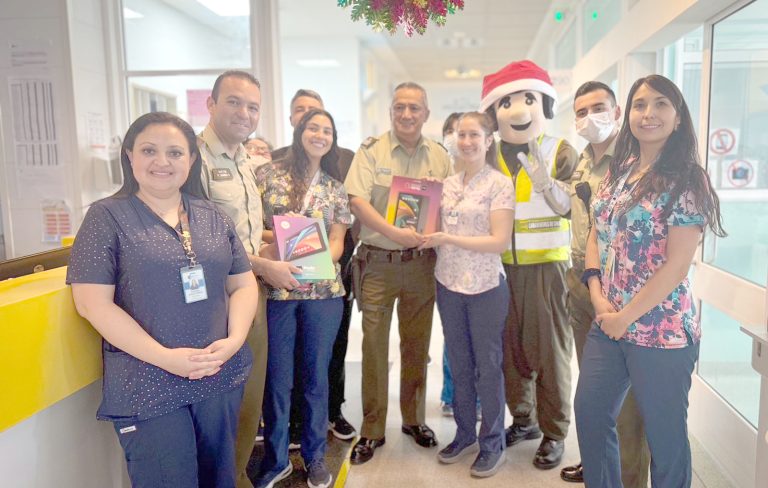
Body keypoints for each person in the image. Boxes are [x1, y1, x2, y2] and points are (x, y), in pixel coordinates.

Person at [67, 112, 259, 488]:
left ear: (191, 159)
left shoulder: (212, 216)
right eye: (149, 150)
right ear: (129, 156)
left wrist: (234, 341)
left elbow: (244, 285)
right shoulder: (106, 217)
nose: (162, 162)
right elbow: (92, 304)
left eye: (175, 152)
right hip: (149, 382)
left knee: (220, 480)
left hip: (217, 375)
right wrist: (166, 358)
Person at [575, 74, 725, 487]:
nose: (649, 113)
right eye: (640, 105)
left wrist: (626, 317)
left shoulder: (688, 179)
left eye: (661, 104)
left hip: (661, 333)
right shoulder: (620, 172)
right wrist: (597, 295)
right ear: (630, 117)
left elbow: (677, 266)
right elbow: (596, 231)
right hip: (609, 322)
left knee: (666, 439)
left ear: (678, 118)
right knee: (590, 416)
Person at [198, 70, 299, 488]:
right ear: (211, 103)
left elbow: (242, 231)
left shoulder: (243, 160)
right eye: (234, 102)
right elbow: (201, 242)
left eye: (253, 106)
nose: (244, 112)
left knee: (249, 397)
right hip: (212, 299)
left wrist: (284, 242)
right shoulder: (195, 159)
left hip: (250, 291)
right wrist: (263, 265)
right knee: (220, 403)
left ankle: (237, 476)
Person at [345, 82, 452, 465]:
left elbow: (455, 203)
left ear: (426, 113)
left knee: (417, 345)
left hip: (421, 265)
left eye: (414, 108)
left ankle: (414, 419)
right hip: (378, 262)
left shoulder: (441, 156)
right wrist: (393, 232)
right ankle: (372, 428)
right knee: (373, 345)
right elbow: (356, 200)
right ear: (391, 111)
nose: (407, 115)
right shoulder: (371, 151)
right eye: (399, 108)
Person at [480, 60, 578, 470]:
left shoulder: (560, 150)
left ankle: (554, 431)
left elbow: (572, 207)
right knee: (511, 349)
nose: (518, 110)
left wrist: (546, 183)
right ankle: (524, 420)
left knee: (550, 352)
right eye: (507, 102)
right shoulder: (486, 154)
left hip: (547, 268)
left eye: (527, 99)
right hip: (499, 269)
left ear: (544, 103)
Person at [560, 81, 651, 485]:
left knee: (627, 401)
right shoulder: (582, 159)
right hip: (582, 282)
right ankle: (598, 465)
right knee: (594, 394)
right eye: (580, 111)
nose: (588, 117)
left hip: (621, 291)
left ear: (617, 113)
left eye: (598, 108)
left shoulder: (635, 161)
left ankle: (630, 477)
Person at [255, 108, 351, 488]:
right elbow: (251, 227)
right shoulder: (268, 176)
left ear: (333, 139)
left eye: (327, 130)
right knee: (277, 379)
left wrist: (313, 260)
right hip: (277, 290)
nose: (320, 135)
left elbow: (340, 242)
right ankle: (276, 459)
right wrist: (287, 245)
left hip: (323, 294)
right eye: (313, 127)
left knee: (315, 378)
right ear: (299, 131)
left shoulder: (335, 187)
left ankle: (314, 457)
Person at [422, 112, 514, 478]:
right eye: (462, 135)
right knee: (458, 363)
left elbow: (499, 241)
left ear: (488, 140)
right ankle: (464, 434)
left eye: (475, 135)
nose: (467, 141)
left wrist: (448, 238)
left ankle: (493, 443)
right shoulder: (444, 184)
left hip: (486, 285)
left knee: (488, 367)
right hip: (448, 283)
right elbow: (423, 224)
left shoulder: (499, 184)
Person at [273, 88, 359, 446]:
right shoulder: (272, 170)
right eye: (303, 114)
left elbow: (342, 231)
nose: (316, 131)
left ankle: (328, 419)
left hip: (328, 279)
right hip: (279, 282)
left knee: (326, 358)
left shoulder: (343, 166)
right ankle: (285, 434)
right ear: (294, 121)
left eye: (321, 121)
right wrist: (284, 239)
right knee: (282, 367)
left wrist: (323, 259)